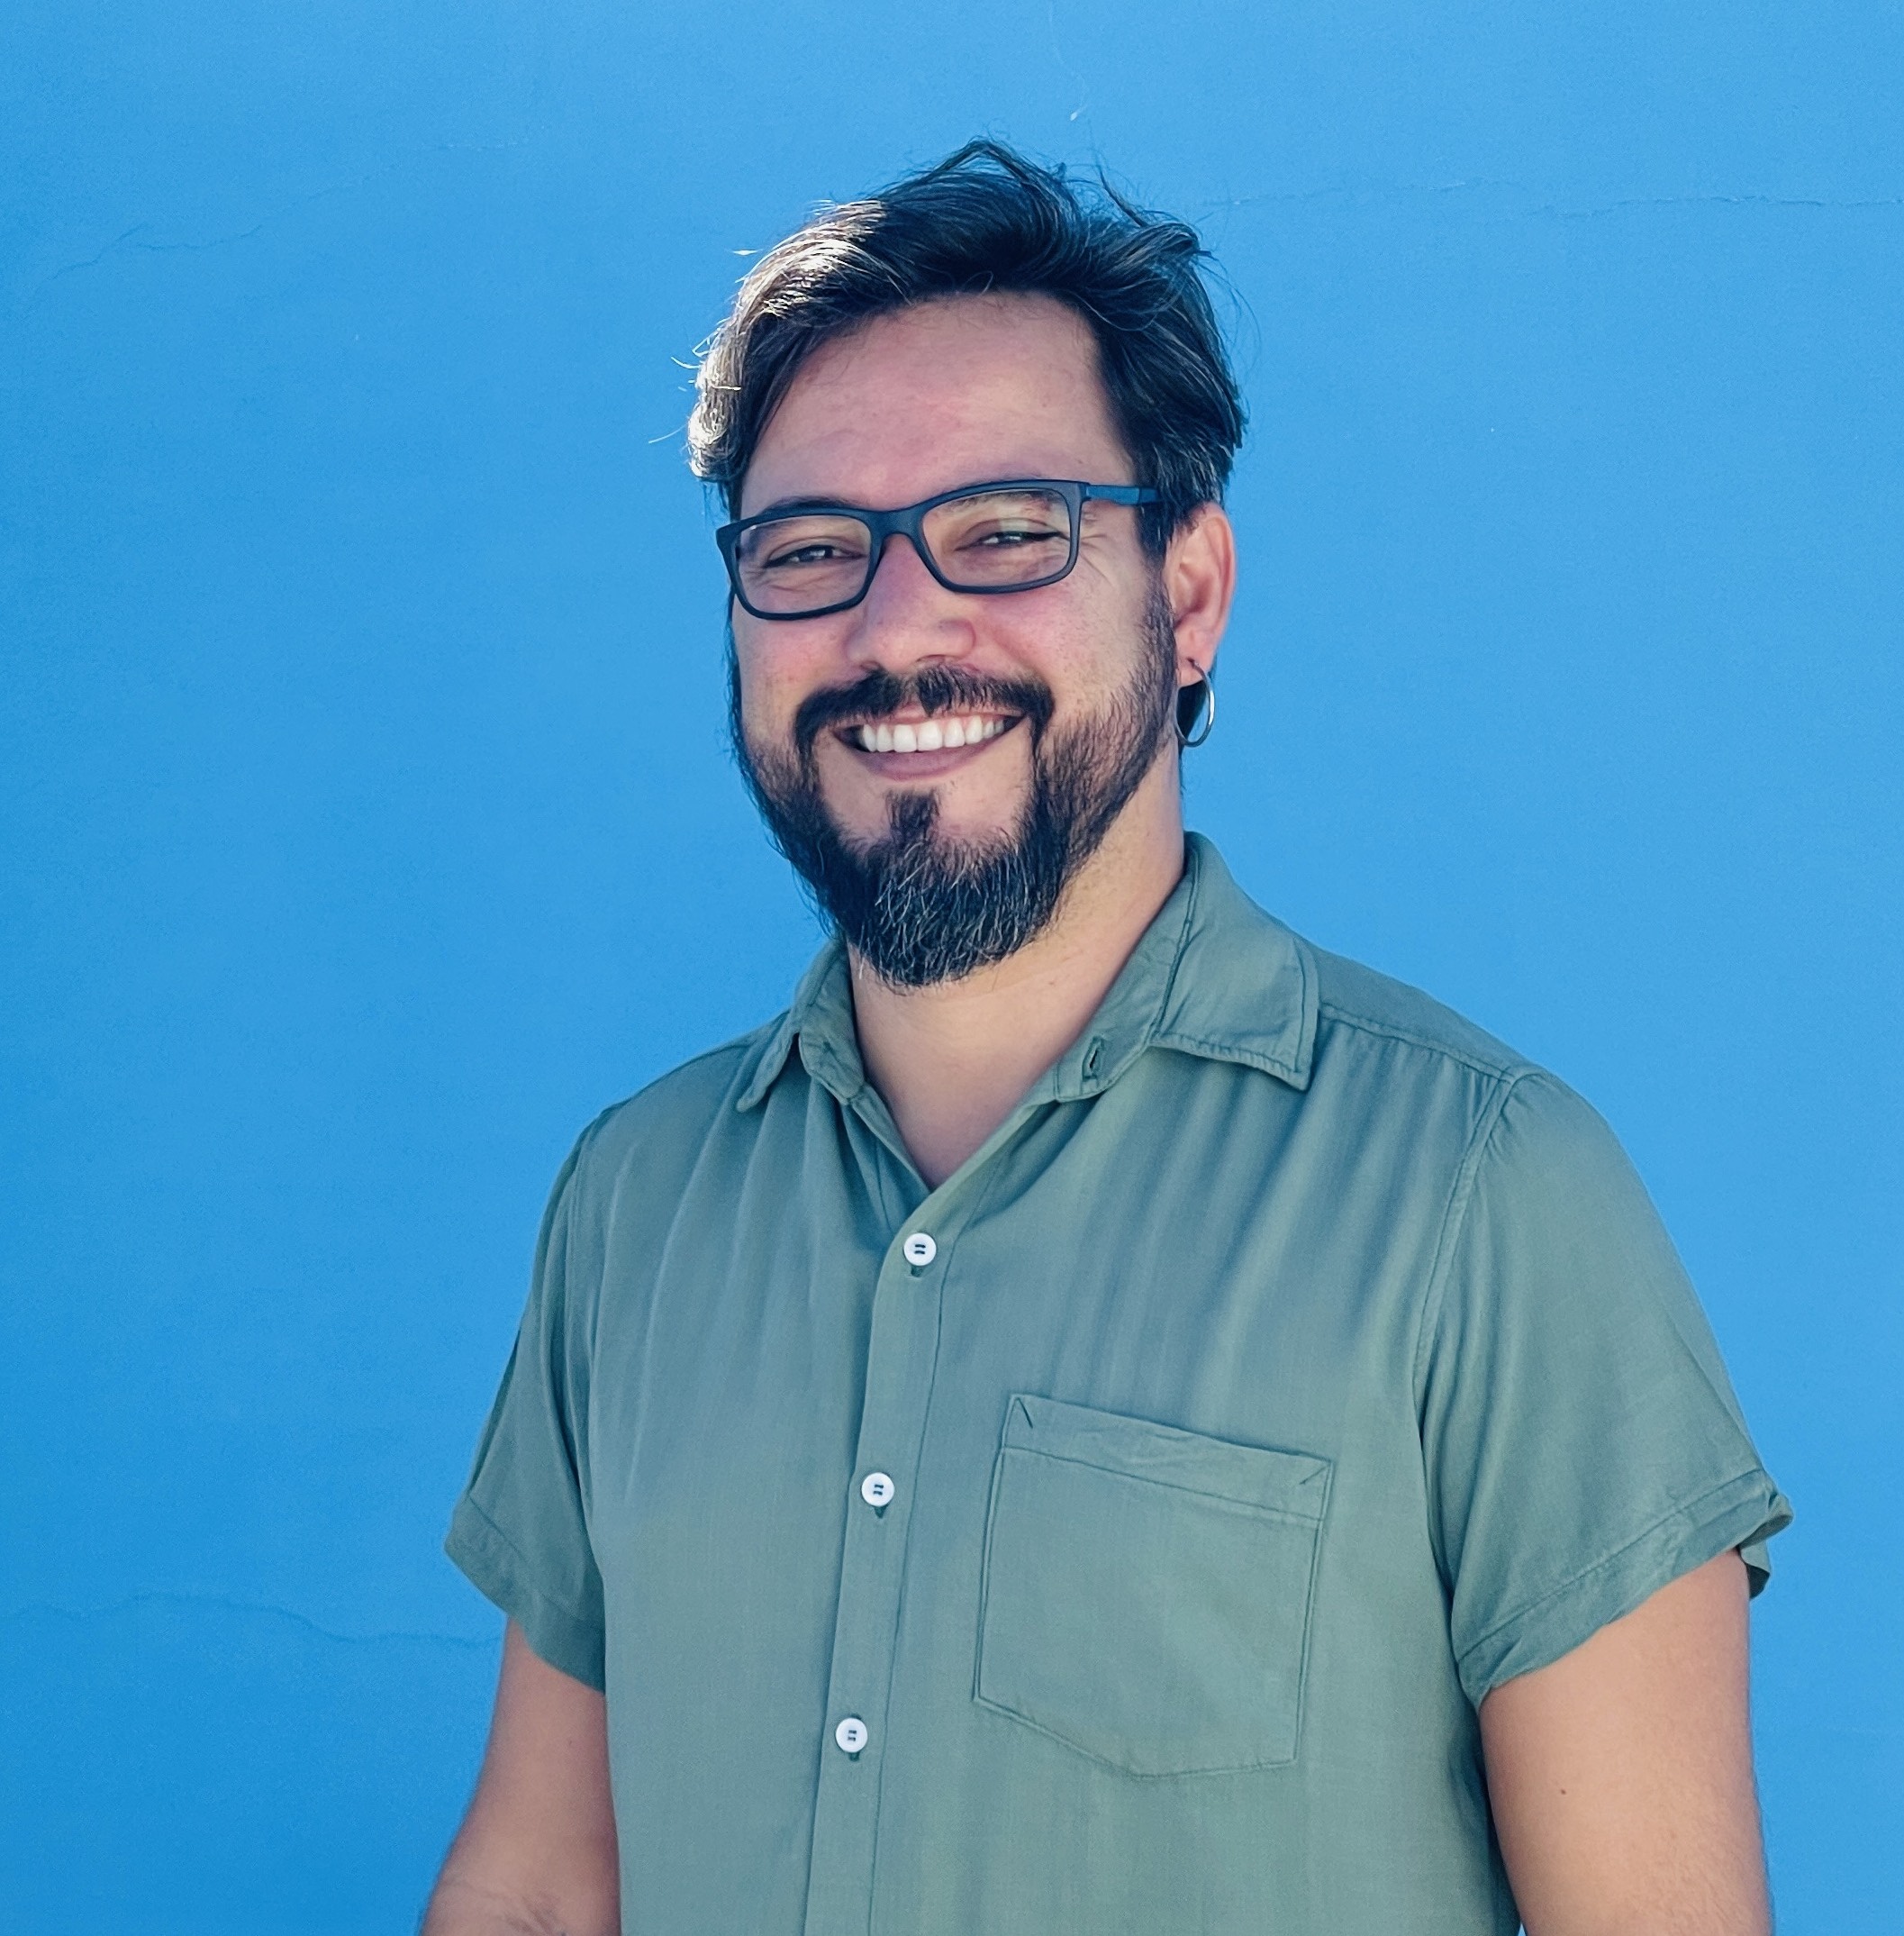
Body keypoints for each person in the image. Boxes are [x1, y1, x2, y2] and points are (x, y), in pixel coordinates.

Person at [422, 141, 1790, 1936]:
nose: (895, 626)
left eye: (1006, 531)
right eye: (810, 551)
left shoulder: (1487, 1195)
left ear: (1189, 594)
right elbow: (542, 1884)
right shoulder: (635, 1200)